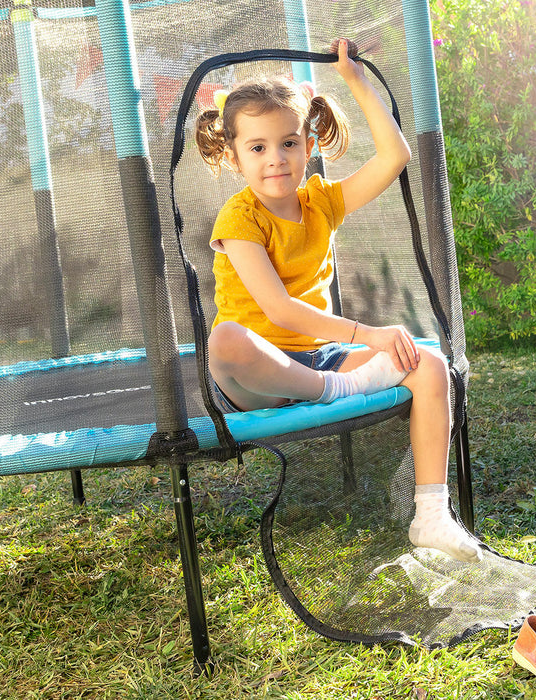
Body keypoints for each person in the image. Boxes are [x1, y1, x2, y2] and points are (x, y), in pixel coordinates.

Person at [194, 38, 482, 564]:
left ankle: (432, 515)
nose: (275, 159)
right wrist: (369, 337)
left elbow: (395, 156)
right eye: (257, 148)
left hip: (320, 357)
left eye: (287, 143)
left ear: (308, 144)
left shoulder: (321, 200)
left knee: (431, 366)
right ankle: (334, 389)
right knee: (226, 339)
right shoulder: (240, 220)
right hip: (257, 375)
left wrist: (356, 82)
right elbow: (279, 310)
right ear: (234, 157)